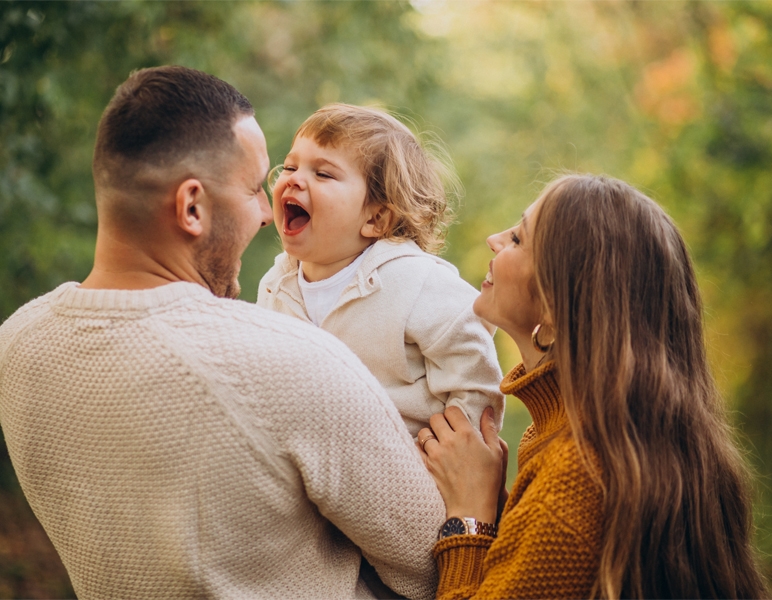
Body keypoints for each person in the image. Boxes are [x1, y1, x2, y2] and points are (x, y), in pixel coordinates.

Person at [0, 66, 445, 599]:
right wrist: (474, 509)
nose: (266, 211)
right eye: (256, 187)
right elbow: (432, 568)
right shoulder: (292, 364)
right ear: (192, 207)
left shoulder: (16, 343)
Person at [417, 174, 768, 599]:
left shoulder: (574, 479)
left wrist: (469, 518)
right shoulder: (606, 437)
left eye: (517, 240)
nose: (494, 239)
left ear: (556, 300)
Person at [257, 104, 504, 437]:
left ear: (376, 219)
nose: (294, 179)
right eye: (289, 166)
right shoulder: (276, 285)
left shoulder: (415, 281)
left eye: (323, 173)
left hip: (402, 469)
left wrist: (455, 453)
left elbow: (473, 369)